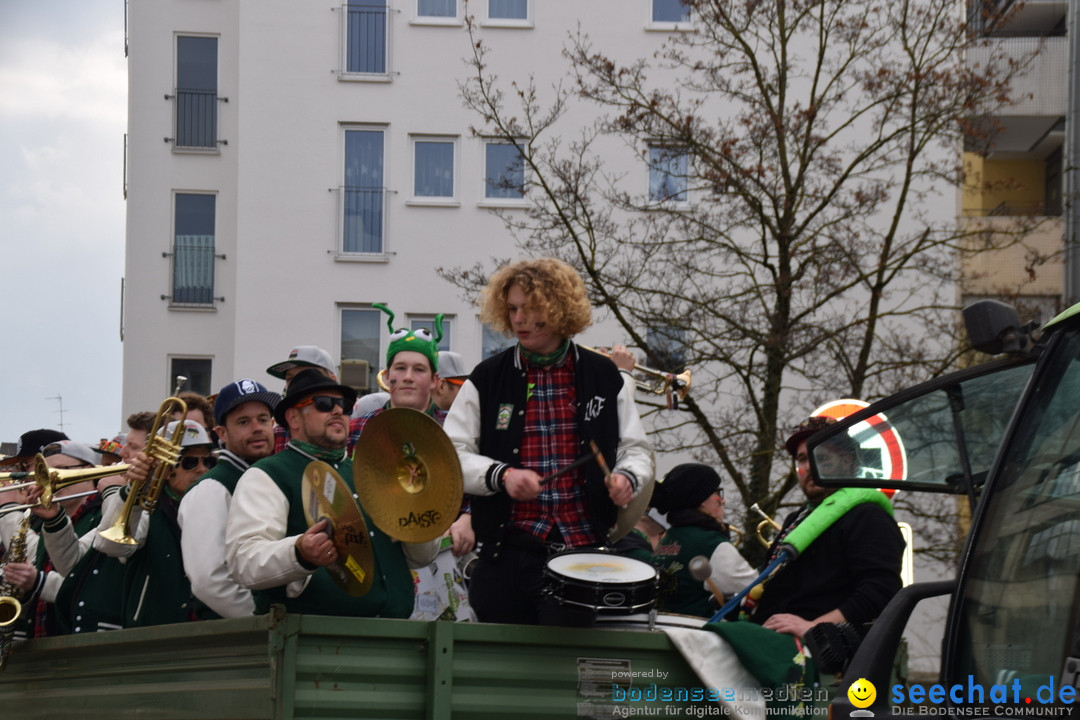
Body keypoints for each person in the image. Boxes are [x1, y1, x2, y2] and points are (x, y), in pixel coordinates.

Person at [444, 257, 654, 625]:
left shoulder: (603, 374)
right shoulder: (487, 377)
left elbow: (635, 450)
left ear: (558, 308)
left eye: (530, 308)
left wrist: (627, 478)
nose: (518, 319)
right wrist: (501, 475)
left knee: (565, 674)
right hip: (504, 554)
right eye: (512, 309)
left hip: (583, 557)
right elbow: (450, 455)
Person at [225, 369, 439, 617]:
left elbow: (419, 559)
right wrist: (299, 552)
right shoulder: (268, 474)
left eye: (344, 405)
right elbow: (244, 560)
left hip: (394, 634)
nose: (338, 411)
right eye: (324, 404)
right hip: (313, 640)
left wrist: (421, 517)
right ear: (293, 418)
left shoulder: (370, 475)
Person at [750, 416, 905, 639]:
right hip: (765, 638)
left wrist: (814, 628)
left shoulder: (867, 515)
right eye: (802, 459)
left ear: (849, 461)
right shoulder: (796, 519)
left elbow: (881, 590)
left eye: (820, 457)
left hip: (815, 654)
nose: (808, 467)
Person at [95, 419, 218, 627]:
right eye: (190, 462)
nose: (202, 469)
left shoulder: (216, 503)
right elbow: (109, 545)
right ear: (167, 468)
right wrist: (129, 493)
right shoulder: (147, 510)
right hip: (153, 634)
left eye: (208, 461)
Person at [178, 379, 279, 619]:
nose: (257, 428)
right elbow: (209, 580)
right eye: (243, 422)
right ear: (221, 433)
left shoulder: (267, 477)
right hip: (232, 642)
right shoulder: (211, 488)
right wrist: (260, 619)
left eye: (263, 419)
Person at [649, 463, 757, 617]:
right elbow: (755, 591)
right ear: (701, 499)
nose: (723, 501)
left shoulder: (668, 538)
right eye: (718, 493)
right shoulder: (710, 543)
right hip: (697, 635)